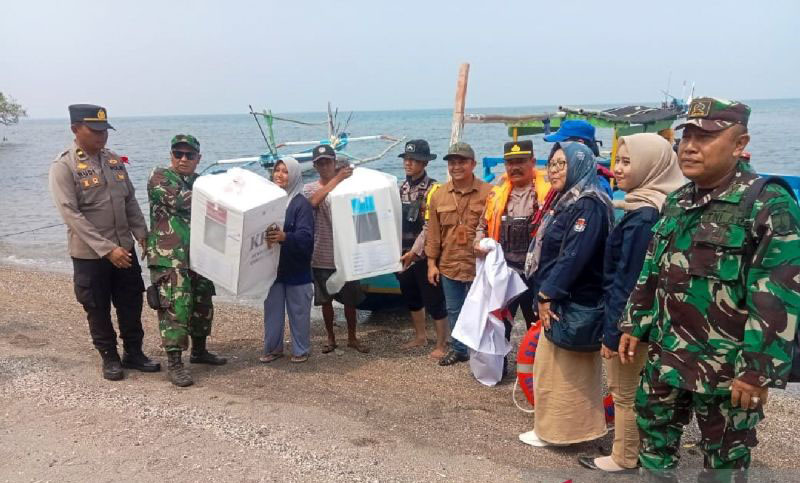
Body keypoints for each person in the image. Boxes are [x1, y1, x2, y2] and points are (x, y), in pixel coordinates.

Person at [618, 98, 800, 481]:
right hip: (667, 358)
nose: (690, 146)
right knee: (654, 449)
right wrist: (635, 321)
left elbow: (777, 294)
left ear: (739, 143)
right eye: (686, 135)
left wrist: (757, 371)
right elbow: (654, 267)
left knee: (724, 462)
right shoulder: (678, 201)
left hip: (725, 371)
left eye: (706, 136)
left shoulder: (767, 203)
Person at [577, 133, 684, 472]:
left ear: (651, 166)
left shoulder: (643, 218)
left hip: (630, 324)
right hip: (647, 322)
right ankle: (634, 449)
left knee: (624, 392)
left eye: (626, 162)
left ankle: (624, 456)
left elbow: (630, 280)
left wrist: (613, 332)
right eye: (616, 160)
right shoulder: (655, 206)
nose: (616, 169)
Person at [49, 104, 159, 381]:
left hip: (125, 248)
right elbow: (70, 214)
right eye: (95, 131)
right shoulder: (64, 166)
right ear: (76, 129)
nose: (102, 136)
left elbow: (129, 199)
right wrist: (108, 249)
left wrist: (141, 233)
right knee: (97, 307)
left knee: (131, 301)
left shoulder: (113, 161)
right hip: (90, 255)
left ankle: (134, 352)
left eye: (104, 131)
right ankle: (109, 357)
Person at [519, 142, 614, 447]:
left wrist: (547, 293)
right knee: (555, 369)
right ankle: (563, 429)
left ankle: (561, 433)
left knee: (563, 372)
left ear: (579, 165)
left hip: (573, 300)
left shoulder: (588, 204)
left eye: (563, 164)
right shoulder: (566, 200)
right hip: (564, 297)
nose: (555, 170)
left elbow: (574, 256)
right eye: (553, 164)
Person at [147, 134, 227, 388]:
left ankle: (200, 351)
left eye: (189, 155)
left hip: (200, 256)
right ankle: (175, 364)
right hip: (170, 258)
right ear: (171, 156)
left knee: (202, 304)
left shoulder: (202, 182)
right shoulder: (160, 177)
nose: (183, 159)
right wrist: (224, 192)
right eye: (178, 154)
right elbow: (182, 201)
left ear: (198, 158)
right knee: (175, 309)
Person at [425, 142, 492, 366]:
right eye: (452, 162)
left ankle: (482, 350)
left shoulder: (488, 192)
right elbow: (433, 234)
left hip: (479, 265)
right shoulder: (438, 195)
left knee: (482, 309)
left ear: (473, 164)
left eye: (462, 161)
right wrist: (431, 264)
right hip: (450, 263)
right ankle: (459, 348)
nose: (456, 166)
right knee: (454, 308)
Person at [303, 145, 368, 353]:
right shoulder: (310, 188)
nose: (324, 166)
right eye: (320, 163)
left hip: (347, 252)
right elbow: (313, 202)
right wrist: (337, 179)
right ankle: (331, 338)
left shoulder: (348, 185)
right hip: (321, 253)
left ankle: (352, 337)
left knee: (351, 300)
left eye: (328, 162)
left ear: (334, 162)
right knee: (326, 302)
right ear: (315, 166)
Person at [475, 140, 538, 328]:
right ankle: (500, 358)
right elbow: (482, 226)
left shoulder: (545, 195)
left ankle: (534, 358)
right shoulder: (496, 196)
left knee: (536, 325)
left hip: (534, 274)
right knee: (499, 325)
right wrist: (477, 243)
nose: (515, 167)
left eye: (521, 161)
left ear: (532, 162)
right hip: (504, 272)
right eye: (510, 163)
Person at [396, 140, 449, 358]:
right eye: (406, 159)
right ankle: (420, 336)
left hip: (426, 255)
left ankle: (442, 343)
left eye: (414, 160)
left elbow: (430, 226)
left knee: (434, 299)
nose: (408, 163)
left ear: (424, 163)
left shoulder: (434, 190)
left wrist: (415, 253)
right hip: (402, 253)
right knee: (411, 296)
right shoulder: (401, 188)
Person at [261, 157, 315, 363]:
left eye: (285, 171)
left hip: (296, 268)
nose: (280, 175)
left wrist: (285, 237)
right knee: (272, 312)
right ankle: (273, 348)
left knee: (298, 311)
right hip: (272, 268)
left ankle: (301, 349)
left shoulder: (301, 204)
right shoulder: (268, 200)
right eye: (277, 170)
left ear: (293, 175)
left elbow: (307, 237)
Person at [543, 119, 613, 197]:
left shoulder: (597, 187)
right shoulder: (570, 178)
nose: (558, 148)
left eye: (562, 144)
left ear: (580, 144)